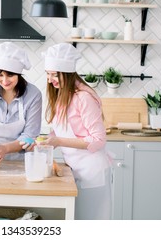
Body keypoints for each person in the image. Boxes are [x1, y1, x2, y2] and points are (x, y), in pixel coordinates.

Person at [38, 43, 112, 220]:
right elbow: (61, 131)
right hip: (75, 170)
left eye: (54, 74)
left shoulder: (84, 97)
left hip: (92, 172)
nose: (49, 79)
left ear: (68, 73)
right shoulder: (62, 94)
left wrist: (58, 142)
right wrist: (46, 140)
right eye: (47, 74)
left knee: (92, 223)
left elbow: (98, 140)